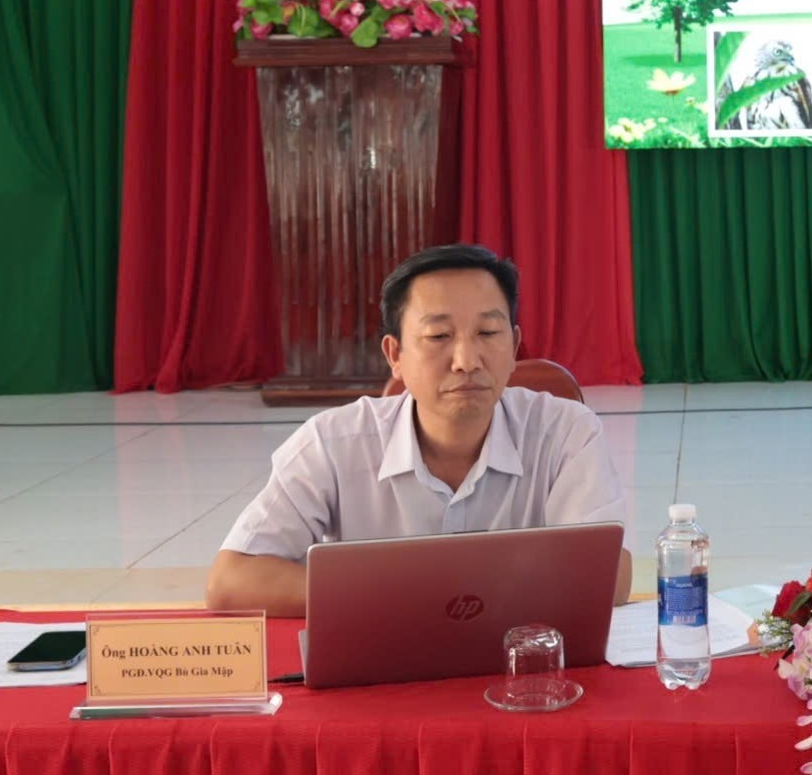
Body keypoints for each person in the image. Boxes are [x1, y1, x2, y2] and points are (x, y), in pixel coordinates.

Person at [207, 244, 632, 616]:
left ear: (515, 347)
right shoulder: (332, 443)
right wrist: (413, 599)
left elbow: (610, 574)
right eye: (439, 335)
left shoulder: (566, 432)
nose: (466, 361)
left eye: (487, 332)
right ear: (395, 354)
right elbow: (232, 581)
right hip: (379, 668)